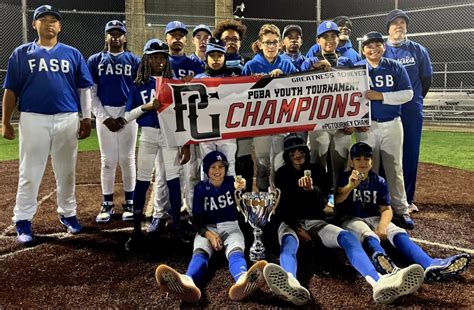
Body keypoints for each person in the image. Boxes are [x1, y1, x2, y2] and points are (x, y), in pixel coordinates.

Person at [264, 134, 424, 305]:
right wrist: (296, 227)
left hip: (315, 221)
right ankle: (290, 281)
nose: (297, 155)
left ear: (306, 151)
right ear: (287, 156)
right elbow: (280, 207)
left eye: (300, 151)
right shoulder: (282, 174)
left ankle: (377, 281)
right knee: (289, 243)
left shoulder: (318, 171)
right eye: (292, 152)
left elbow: (323, 203)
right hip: (290, 223)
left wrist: (312, 190)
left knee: (347, 237)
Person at [2, 5, 93, 243]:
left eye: (54, 20)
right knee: (30, 171)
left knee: (66, 172)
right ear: (35, 25)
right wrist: (5, 122)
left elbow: (84, 88)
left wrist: (86, 117)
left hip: (67, 118)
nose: (49, 23)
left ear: (60, 26)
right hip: (33, 118)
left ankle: (68, 214)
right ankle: (22, 219)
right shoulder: (21, 53)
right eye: (43, 19)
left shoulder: (72, 53)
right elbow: (10, 90)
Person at [335, 142, 471, 281]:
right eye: (358, 159)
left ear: (371, 162)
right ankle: (388, 266)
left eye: (366, 159)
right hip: (351, 219)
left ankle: (430, 263)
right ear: (351, 162)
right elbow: (338, 199)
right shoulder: (345, 177)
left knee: (397, 231)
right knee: (367, 234)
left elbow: (386, 209)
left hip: (374, 217)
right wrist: (350, 186)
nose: (363, 162)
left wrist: (382, 225)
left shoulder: (379, 181)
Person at [155, 151, 267, 302]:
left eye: (221, 166)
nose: (217, 170)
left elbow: (243, 201)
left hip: (231, 226)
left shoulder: (232, 182)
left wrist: (242, 189)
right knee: (200, 253)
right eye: (213, 167)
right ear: (206, 169)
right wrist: (208, 234)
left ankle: (242, 279)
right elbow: (196, 220)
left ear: (226, 168)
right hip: (208, 228)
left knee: (236, 252)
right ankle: (188, 280)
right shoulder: (201, 189)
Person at [123, 39, 190, 250]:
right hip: (149, 134)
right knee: (142, 181)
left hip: (169, 135)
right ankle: (135, 230)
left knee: (172, 180)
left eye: (162, 57)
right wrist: (147, 106)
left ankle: (176, 229)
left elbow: (183, 112)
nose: (159, 61)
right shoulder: (139, 84)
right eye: (154, 57)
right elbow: (127, 115)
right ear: (146, 59)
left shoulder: (173, 83)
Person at [354, 32, 415, 229]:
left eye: (377, 44)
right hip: (367, 125)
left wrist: (381, 96)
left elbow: (408, 93)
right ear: (363, 50)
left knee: (394, 167)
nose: (373, 49)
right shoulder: (356, 69)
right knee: (367, 169)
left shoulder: (395, 66)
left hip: (391, 122)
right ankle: (369, 207)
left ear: (384, 46)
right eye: (369, 46)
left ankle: (401, 209)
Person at [87, 20, 140, 223]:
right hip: (105, 112)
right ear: (106, 36)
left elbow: (138, 92)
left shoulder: (134, 60)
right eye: (111, 33)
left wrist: (127, 116)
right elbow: (91, 93)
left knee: (127, 159)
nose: (115, 36)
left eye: (119, 33)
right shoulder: (95, 60)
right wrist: (104, 117)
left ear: (125, 37)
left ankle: (130, 202)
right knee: (107, 161)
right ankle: (107, 203)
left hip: (127, 113)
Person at [300, 21, 355, 208]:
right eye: (326, 37)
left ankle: (339, 200)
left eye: (334, 36)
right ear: (318, 40)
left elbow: (354, 90)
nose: (330, 40)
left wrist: (352, 119)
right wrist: (315, 67)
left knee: (340, 162)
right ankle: (318, 198)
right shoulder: (310, 60)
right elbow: (299, 82)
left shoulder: (347, 61)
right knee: (317, 161)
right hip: (319, 121)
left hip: (341, 121)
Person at [384, 9, 433, 213]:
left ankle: (408, 198)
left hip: (411, 109)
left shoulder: (418, 50)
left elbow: (426, 79)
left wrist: (414, 99)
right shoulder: (380, 50)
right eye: (395, 23)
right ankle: (384, 196)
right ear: (388, 28)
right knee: (384, 152)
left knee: (410, 151)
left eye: (403, 23)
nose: (399, 26)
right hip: (386, 108)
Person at [242, 24, 297, 191]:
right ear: (260, 44)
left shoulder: (287, 64)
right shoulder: (251, 66)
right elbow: (241, 93)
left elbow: (302, 87)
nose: (271, 46)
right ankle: (264, 201)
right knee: (263, 163)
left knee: (281, 163)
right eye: (267, 42)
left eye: (274, 42)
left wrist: (286, 77)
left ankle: (280, 200)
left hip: (282, 120)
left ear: (280, 44)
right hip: (261, 122)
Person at [165, 20, 204, 217]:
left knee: (191, 170)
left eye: (181, 35)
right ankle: (163, 211)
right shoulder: (160, 60)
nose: (178, 38)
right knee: (166, 170)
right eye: (174, 35)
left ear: (185, 40)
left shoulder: (195, 63)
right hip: (166, 121)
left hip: (189, 119)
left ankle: (190, 209)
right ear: (167, 38)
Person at [213, 19, 253, 192]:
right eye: (226, 39)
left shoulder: (247, 64)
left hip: (241, 120)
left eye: (234, 39)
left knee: (243, 159)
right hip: (219, 122)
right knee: (219, 162)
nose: (230, 42)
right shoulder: (212, 64)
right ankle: (221, 200)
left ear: (240, 42)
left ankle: (245, 202)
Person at [194, 39, 238, 179]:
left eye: (220, 55)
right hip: (205, 130)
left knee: (229, 165)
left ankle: (230, 198)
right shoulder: (197, 79)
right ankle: (208, 198)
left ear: (225, 57)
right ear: (206, 57)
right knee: (207, 166)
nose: (216, 59)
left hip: (227, 129)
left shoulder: (234, 79)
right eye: (212, 56)